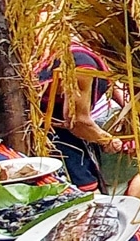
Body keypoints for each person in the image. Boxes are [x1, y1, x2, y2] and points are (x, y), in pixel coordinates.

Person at [36, 40, 126, 192]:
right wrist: (106, 140)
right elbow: (77, 121)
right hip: (51, 130)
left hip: (73, 126)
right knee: (84, 187)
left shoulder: (96, 53)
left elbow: (112, 84)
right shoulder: (82, 66)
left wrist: (131, 112)